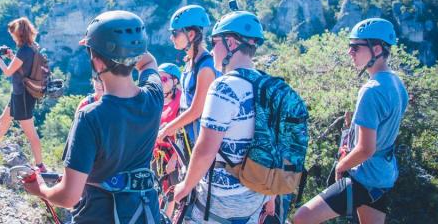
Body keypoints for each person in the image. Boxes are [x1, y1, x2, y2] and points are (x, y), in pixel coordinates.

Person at [23, 10, 163, 223]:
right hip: (143, 213)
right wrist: (111, 47)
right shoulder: (154, 96)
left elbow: (69, 197)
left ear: (97, 64)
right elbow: (148, 62)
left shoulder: (90, 117)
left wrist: (40, 188)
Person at [293, 18, 408, 224]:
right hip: (383, 175)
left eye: (356, 47)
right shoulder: (397, 83)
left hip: (363, 176)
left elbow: (366, 149)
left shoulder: (371, 91)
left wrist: (341, 166)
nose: (350, 53)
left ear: (378, 49)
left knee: (302, 218)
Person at [173, 11, 270, 223]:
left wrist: (185, 186)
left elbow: (206, 149)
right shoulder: (267, 83)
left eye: (215, 42)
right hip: (256, 194)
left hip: (221, 197)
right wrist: (271, 195)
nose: (212, 48)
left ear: (231, 43)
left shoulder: (224, 87)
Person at [0, 17, 46, 172]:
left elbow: (8, 71)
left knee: (30, 133)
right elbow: (23, 67)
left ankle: (40, 165)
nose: (12, 37)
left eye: (13, 34)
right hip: (20, 93)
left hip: (23, 96)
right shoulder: (32, 47)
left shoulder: (24, 50)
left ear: (19, 34)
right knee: (4, 118)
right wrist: (12, 57)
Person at [157, 5, 217, 160]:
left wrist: (168, 129)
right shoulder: (191, 63)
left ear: (191, 35)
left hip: (202, 145)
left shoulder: (205, 68)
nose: (171, 38)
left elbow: (196, 110)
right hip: (189, 141)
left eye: (175, 33)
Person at [153, 63, 182, 218]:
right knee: (156, 187)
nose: (160, 82)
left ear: (175, 81)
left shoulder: (181, 102)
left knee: (171, 191)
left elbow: (183, 134)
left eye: (164, 78)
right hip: (157, 153)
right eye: (159, 78)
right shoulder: (156, 99)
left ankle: (167, 219)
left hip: (174, 153)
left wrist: (174, 159)